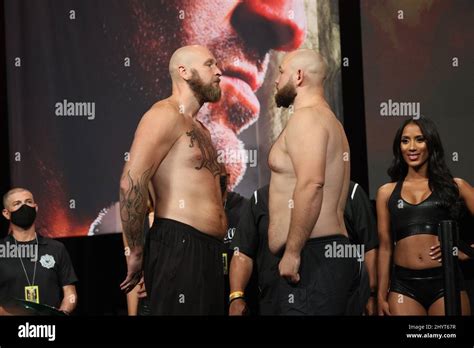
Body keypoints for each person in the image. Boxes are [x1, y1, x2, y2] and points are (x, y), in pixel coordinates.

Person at [119, 45, 228, 315]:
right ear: (184, 71)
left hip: (209, 252)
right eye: (209, 64)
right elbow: (131, 182)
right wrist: (135, 251)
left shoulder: (199, 127)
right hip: (179, 247)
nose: (219, 71)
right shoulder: (164, 114)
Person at [267, 49, 358, 315]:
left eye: (281, 71)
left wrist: (293, 253)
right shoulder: (331, 122)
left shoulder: (306, 118)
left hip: (312, 257)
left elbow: (311, 184)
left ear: (298, 76)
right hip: (325, 256)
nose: (276, 79)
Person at [229, 181, 378, 316]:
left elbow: (369, 247)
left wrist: (371, 294)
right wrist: (236, 296)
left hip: (335, 299)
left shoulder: (349, 192)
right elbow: (242, 252)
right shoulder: (260, 198)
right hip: (275, 301)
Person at [376, 117, 473, 315]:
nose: (412, 147)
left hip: (447, 282)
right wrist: (379, 294)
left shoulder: (455, 186)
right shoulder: (386, 192)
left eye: (419, 139)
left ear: (431, 143)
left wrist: (466, 250)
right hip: (403, 287)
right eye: (405, 141)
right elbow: (385, 247)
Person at [0, 188, 78, 315]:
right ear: (6, 213)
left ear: (36, 208)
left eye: (28, 202)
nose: (24, 206)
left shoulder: (56, 248)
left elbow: (70, 294)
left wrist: (64, 312)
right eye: (17, 203)